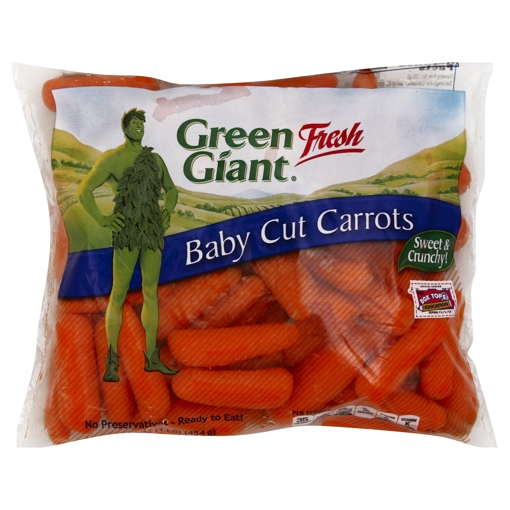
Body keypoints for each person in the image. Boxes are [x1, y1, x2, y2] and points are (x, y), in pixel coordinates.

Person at [77, 108, 178, 381]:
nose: (139, 127)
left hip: (152, 230)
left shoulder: (155, 159)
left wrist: (167, 210)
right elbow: (84, 191)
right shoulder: (112, 158)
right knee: (119, 293)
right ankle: (112, 363)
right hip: (127, 231)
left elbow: (171, 190)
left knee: (150, 292)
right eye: (134, 123)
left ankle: (151, 357)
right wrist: (103, 219)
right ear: (125, 128)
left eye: (142, 123)